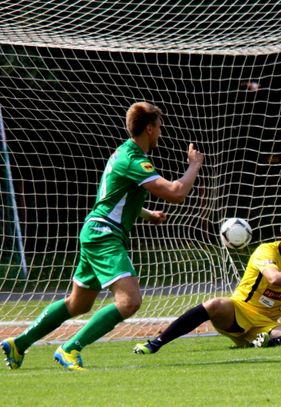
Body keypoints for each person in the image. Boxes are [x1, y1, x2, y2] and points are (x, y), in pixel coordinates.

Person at [1, 102, 204, 370]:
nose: (160, 133)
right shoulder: (134, 159)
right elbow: (176, 192)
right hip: (104, 235)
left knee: (78, 303)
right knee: (130, 301)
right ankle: (70, 348)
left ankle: (20, 343)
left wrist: (146, 214)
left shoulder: (122, 152)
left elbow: (112, 197)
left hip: (96, 230)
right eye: (159, 128)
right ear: (150, 128)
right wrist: (194, 166)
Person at [133, 215, 281, 353]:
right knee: (215, 304)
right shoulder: (265, 251)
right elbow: (275, 278)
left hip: (265, 327)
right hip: (239, 312)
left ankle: (268, 343)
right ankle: (155, 344)